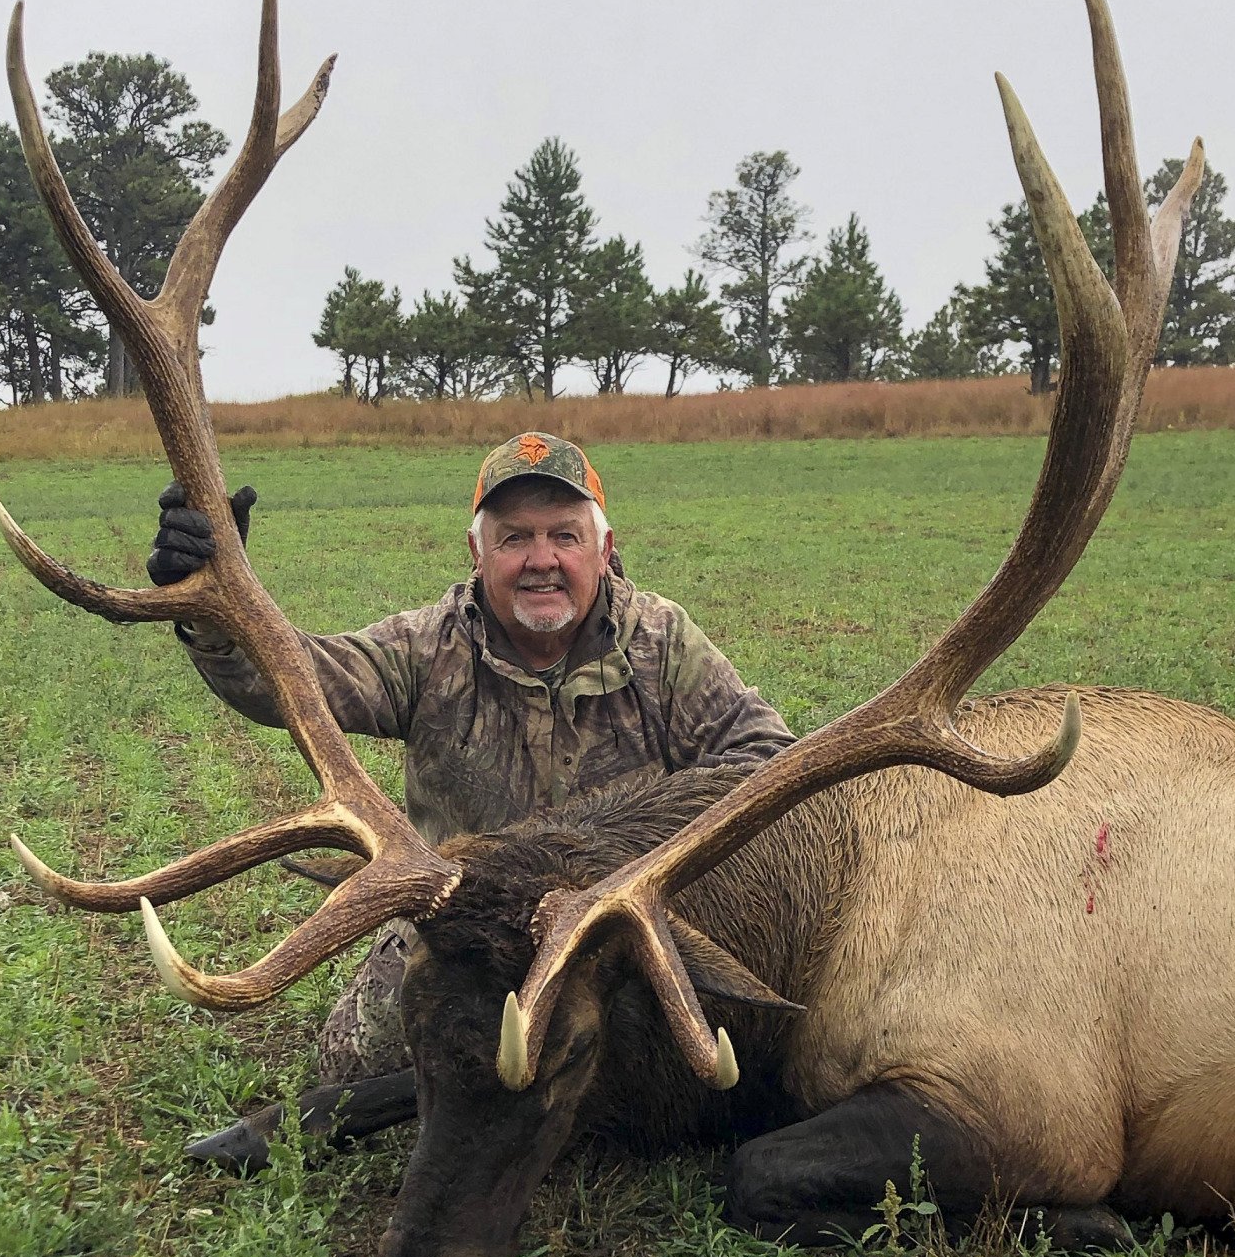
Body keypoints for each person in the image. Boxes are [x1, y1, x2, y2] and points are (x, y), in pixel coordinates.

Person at [151, 432, 793, 1162]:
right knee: (356, 1060)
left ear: (605, 549)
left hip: (600, 933)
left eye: (564, 535)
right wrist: (212, 606)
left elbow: (768, 764)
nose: (541, 559)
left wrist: (638, 846)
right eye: (515, 537)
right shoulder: (426, 647)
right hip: (460, 927)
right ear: (477, 552)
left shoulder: (663, 644)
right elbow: (296, 684)